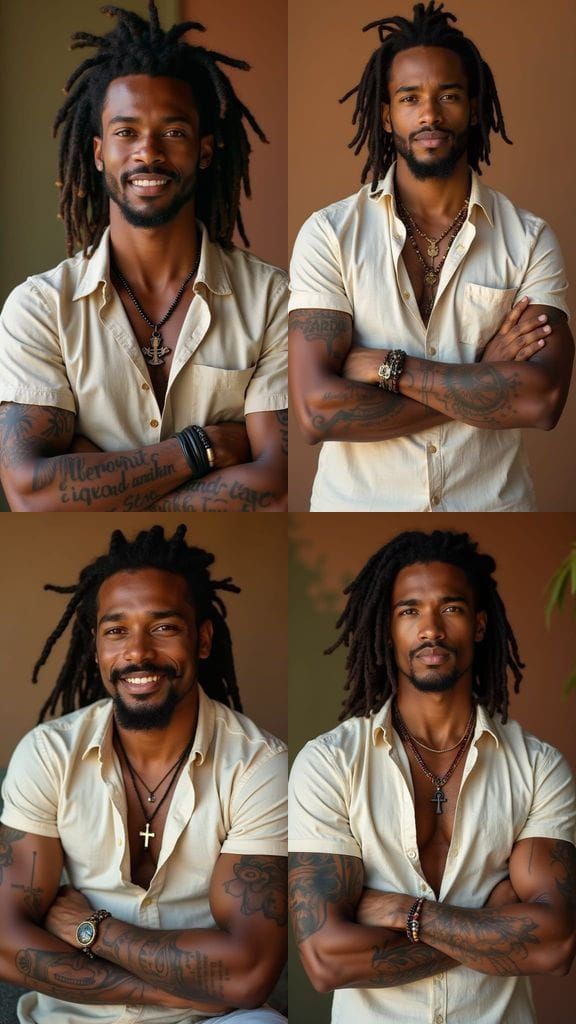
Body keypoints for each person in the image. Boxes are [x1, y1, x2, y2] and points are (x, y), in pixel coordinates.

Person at [0, 1, 287, 512]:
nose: (148, 152)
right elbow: (30, 491)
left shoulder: (272, 301)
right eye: (126, 132)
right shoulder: (40, 308)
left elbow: (272, 478)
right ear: (97, 153)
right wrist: (200, 449)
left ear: (203, 150)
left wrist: (103, 486)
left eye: (172, 132)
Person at [289, 1, 573, 511]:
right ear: (385, 113)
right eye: (409, 97)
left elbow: (542, 400)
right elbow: (317, 414)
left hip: (493, 509)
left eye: (449, 95)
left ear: (474, 106)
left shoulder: (529, 239)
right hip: (358, 511)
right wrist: (484, 372)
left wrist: (387, 368)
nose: (429, 114)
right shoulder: (328, 235)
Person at [0, 523, 287, 1023]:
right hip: (80, 1016)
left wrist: (94, 929)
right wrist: (166, 993)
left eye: (163, 627)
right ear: (96, 647)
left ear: (201, 638)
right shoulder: (48, 753)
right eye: (117, 630)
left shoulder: (260, 765)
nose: (137, 653)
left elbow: (251, 970)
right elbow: (5, 939)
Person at [289, 529, 576, 1022]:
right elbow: (327, 961)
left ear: (480, 625)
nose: (431, 630)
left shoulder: (537, 765)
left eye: (452, 609)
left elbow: (556, 945)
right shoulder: (330, 763)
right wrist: (496, 921)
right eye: (410, 611)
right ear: (388, 628)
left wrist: (404, 913)